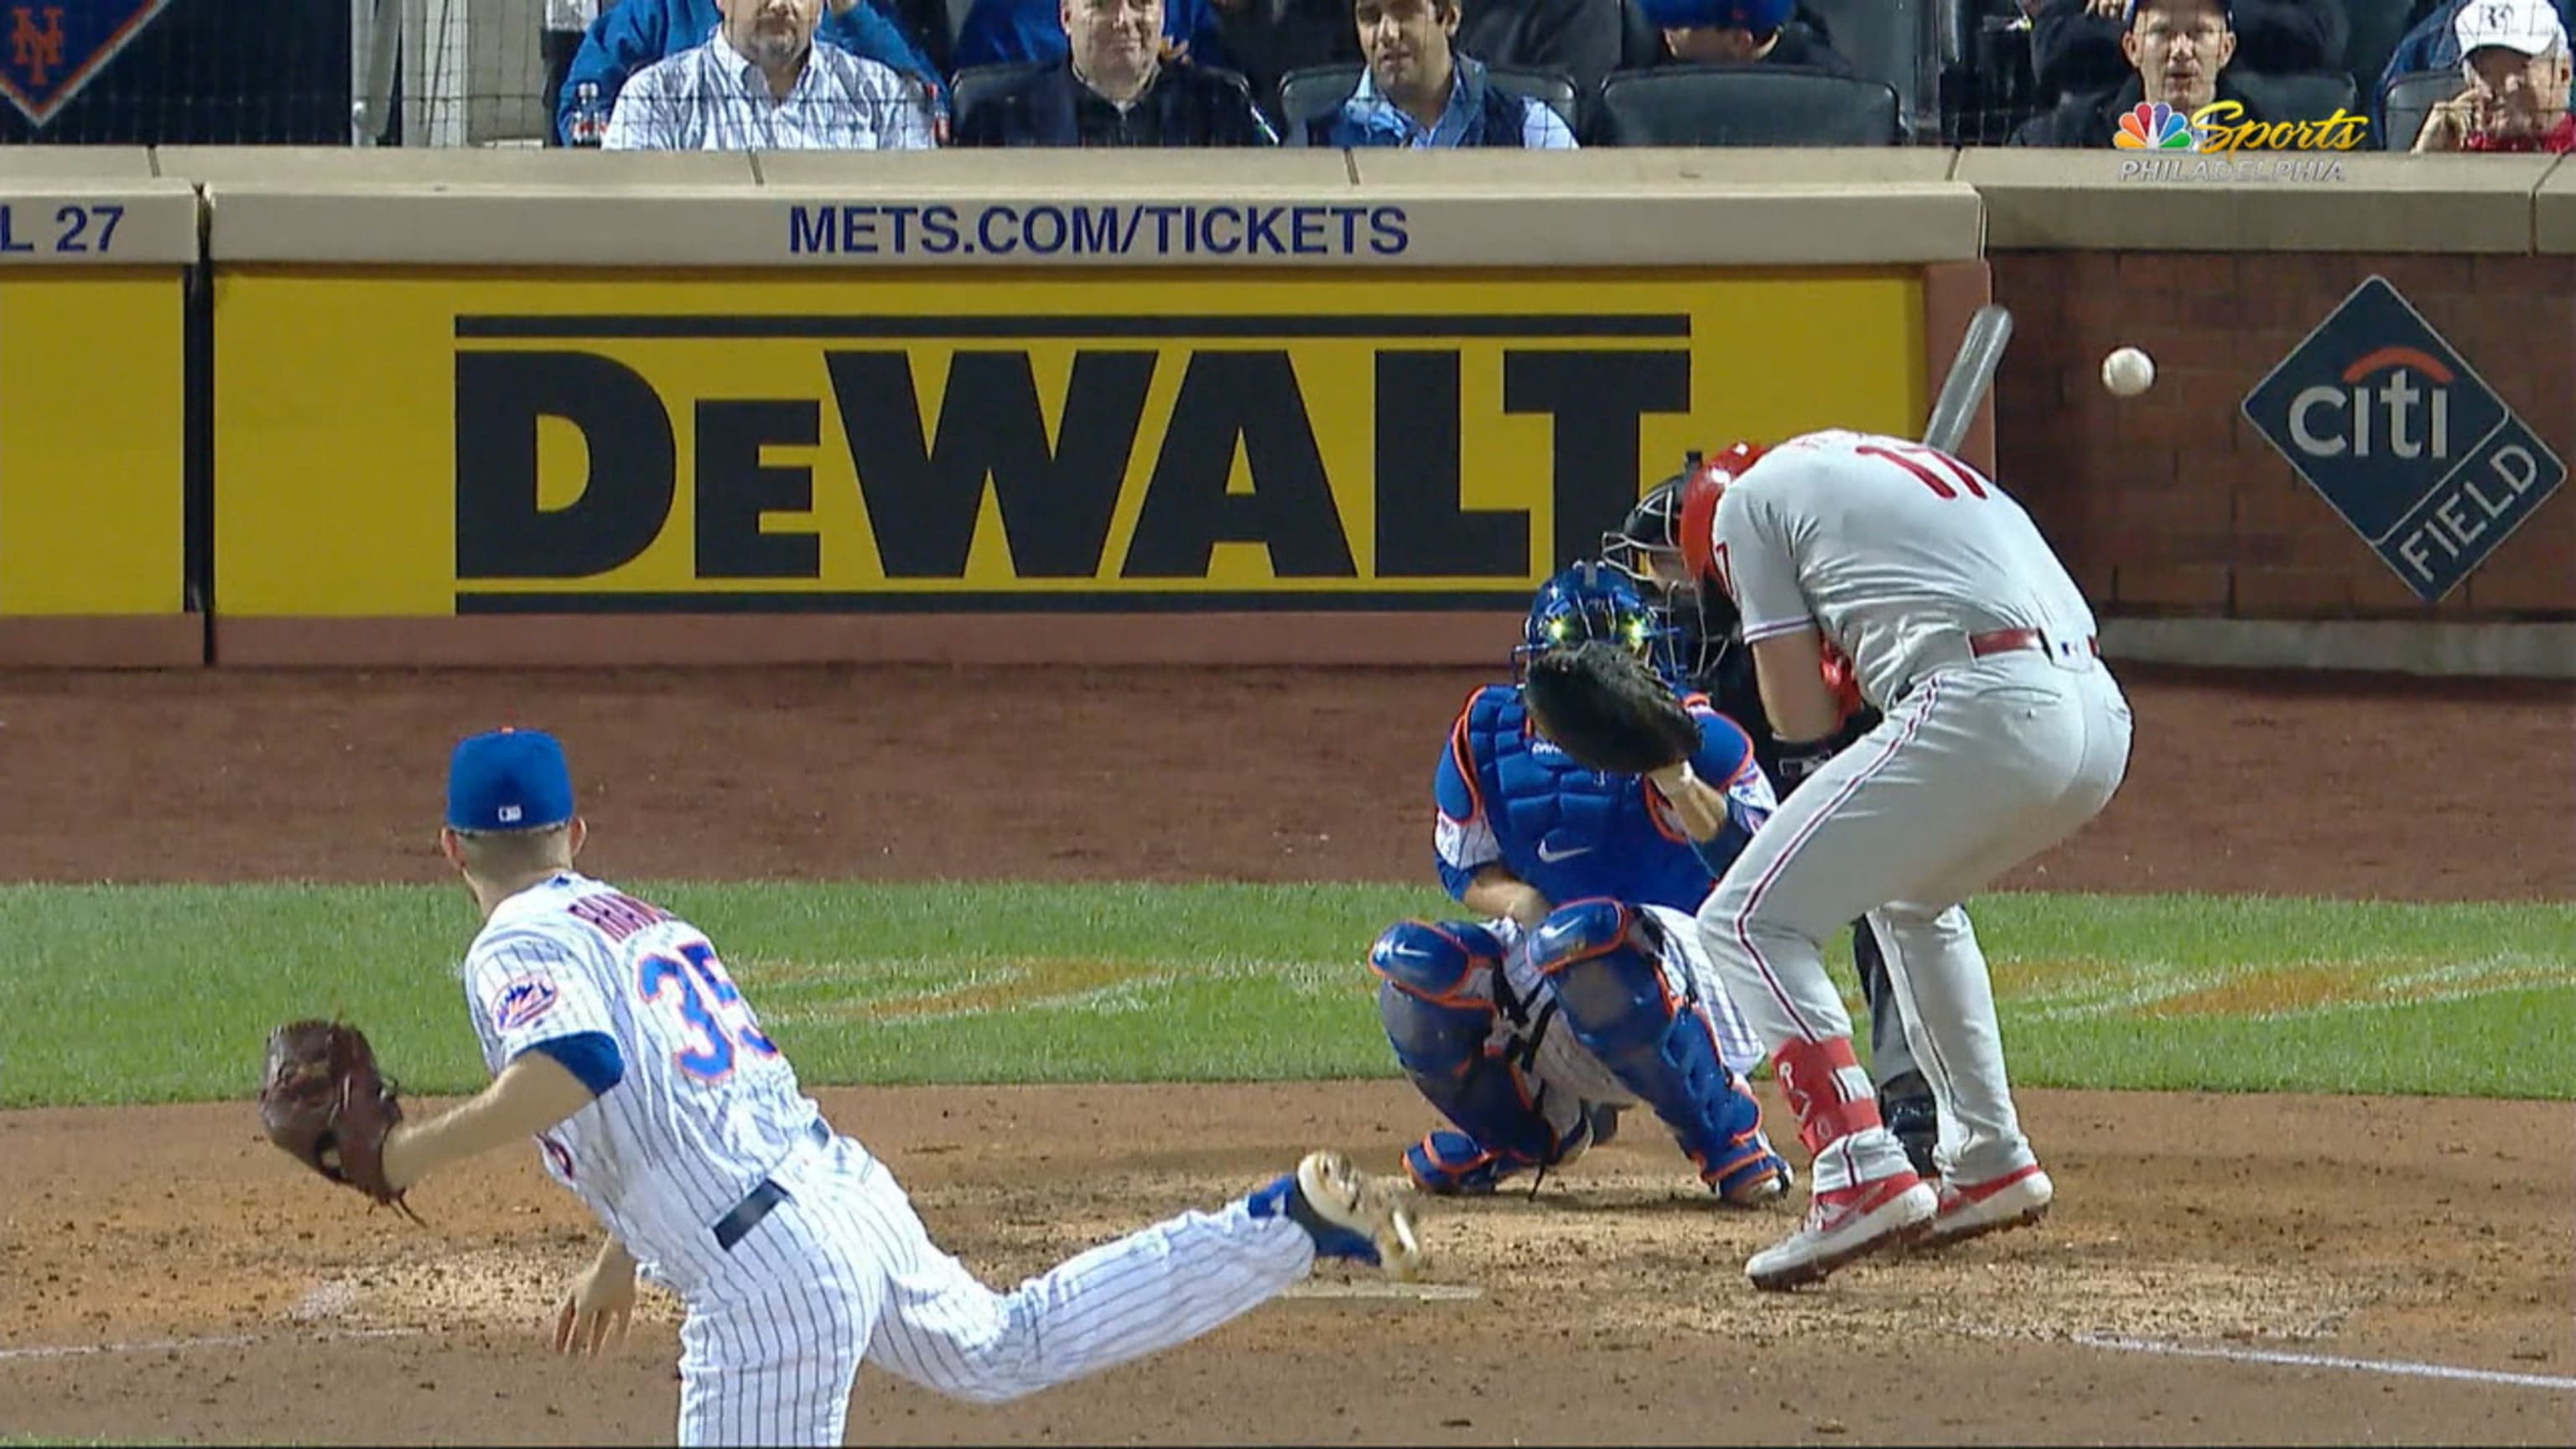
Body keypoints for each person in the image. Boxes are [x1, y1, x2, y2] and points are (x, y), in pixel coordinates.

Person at [371, 727, 1424, 1447]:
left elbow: (577, 1067)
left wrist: (401, 1155)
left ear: (451, 846)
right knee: (1009, 1345)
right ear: (576, 836)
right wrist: (622, 1255)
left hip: (770, 1280)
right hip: (843, 1200)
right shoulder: (647, 923)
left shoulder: (509, 945)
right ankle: (1287, 1224)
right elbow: (686, 1103)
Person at [1668, 429, 2133, 1291]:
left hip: (1984, 702)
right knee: (1912, 901)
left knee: (1747, 921)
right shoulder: (1882, 475)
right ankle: (1988, 1154)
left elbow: (1798, 718)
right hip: (2097, 717)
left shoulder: (1743, 505)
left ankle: (1856, 1167)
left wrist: (1829, 680)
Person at [1367, 564, 1794, 1207]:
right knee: (1413, 971)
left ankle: (1728, 1138)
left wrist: (1673, 774)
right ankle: (1527, 1131)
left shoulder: (1701, 737)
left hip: (1706, 974)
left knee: (1588, 937)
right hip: (1560, 951)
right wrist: (1525, 905)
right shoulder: (1487, 732)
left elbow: (1762, 869)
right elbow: (1465, 868)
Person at [1599, 458, 1943, 1181]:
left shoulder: (1839, 632)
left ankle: (1909, 1100)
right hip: (1745, 817)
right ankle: (1602, 1073)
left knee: (1899, 894)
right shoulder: (1674, 661)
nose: (1659, 587)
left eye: (1669, 564)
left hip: (1857, 792)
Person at [558, 0, 943, 146]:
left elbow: (933, 111)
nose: (779, 2)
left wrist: (852, 12)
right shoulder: (653, 95)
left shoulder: (878, 92)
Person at [952, 0, 1281, 144]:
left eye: (1140, 2)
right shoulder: (996, 123)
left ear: (1163, 13)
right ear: (1066, 17)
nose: (1123, 19)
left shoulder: (1221, 110)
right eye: (1101, 4)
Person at [1307, 0, 1579, 148]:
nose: (1387, 34)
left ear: (1449, 16)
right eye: (1371, 16)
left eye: (1404, 12)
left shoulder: (1532, 130)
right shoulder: (1315, 143)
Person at [2008, 0, 2269, 146]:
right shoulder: (2061, 139)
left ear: (2226, 49)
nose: (2181, 50)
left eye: (2198, 33)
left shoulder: (2271, 144)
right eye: (2162, 32)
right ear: (2132, 48)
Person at [2411, 0, 2575, 151]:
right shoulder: (2456, 158)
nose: (2502, 90)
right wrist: (2424, 162)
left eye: (2518, 70)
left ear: (2563, 73)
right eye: (2485, 74)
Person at [1636, 0, 1858, 72]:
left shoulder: (1829, 93)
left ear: (1739, 41)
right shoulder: (1644, 61)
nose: (1664, 26)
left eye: (1681, 23)